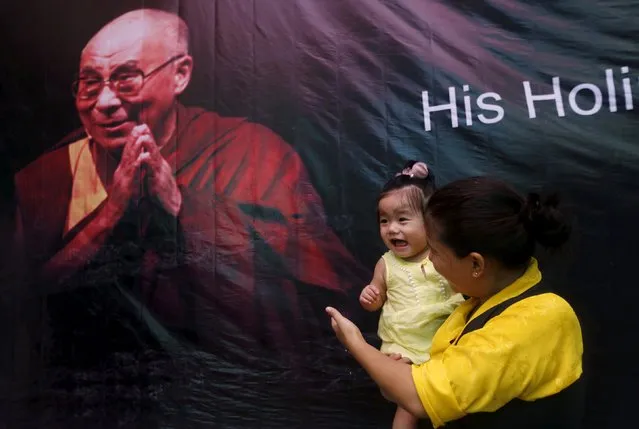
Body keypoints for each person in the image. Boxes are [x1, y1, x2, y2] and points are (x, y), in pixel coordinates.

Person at [12, 8, 366, 373]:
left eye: (126, 79)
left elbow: (317, 297)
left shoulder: (253, 152)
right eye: (89, 83)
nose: (103, 102)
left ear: (179, 74)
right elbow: (22, 306)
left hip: (224, 388)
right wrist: (113, 212)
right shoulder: (48, 178)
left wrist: (180, 205)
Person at [328, 176, 584, 428]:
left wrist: (356, 342)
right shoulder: (481, 301)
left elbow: (419, 397)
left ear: (476, 264)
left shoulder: (536, 320)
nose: (432, 264)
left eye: (435, 252)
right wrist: (403, 370)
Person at [359, 161, 464, 428]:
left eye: (403, 219)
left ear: (430, 222)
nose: (392, 229)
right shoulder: (386, 263)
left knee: (454, 396)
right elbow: (377, 298)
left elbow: (462, 292)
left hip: (444, 341)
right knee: (408, 404)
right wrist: (371, 297)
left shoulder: (441, 256)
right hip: (404, 345)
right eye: (385, 221)